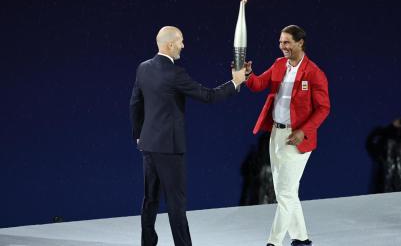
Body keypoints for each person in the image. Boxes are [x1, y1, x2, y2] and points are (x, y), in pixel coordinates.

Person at [130, 26, 247, 246]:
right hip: (170, 148)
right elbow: (209, 96)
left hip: (148, 145)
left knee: (150, 200)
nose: (183, 45)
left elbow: (135, 103)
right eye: (181, 41)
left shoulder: (143, 68)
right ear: (171, 44)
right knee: (176, 204)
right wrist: (236, 82)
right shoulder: (175, 73)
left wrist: (139, 134)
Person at [244, 25, 330, 246]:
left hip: (297, 138)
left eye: (287, 42)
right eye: (281, 42)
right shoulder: (279, 64)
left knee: (284, 193)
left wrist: (303, 131)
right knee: (287, 192)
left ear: (300, 42)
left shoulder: (314, 73)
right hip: (276, 135)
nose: (283, 47)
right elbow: (259, 84)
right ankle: (301, 239)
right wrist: (248, 75)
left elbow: (323, 108)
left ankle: (273, 242)